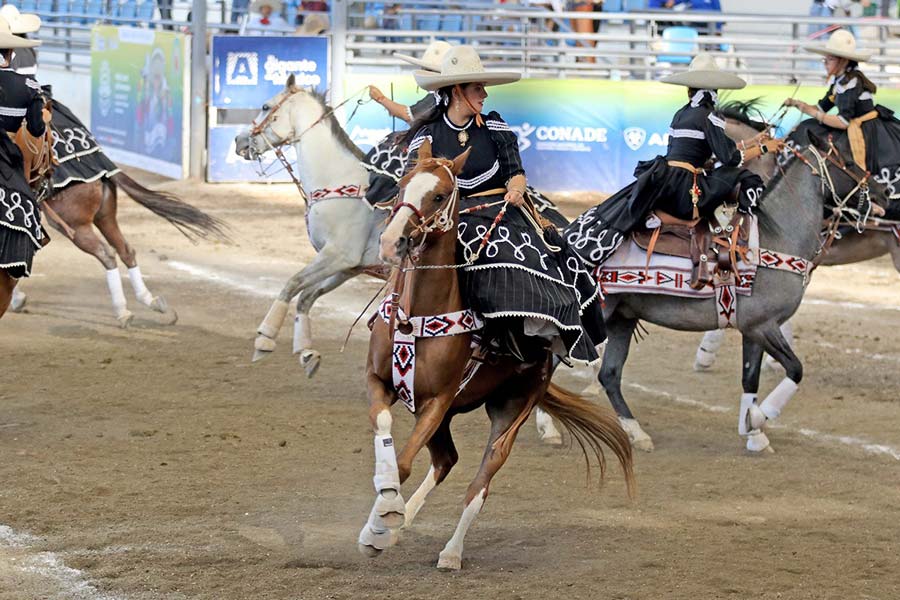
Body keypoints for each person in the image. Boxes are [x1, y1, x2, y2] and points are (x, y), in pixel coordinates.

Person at [402, 45, 606, 364]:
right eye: (477, 88)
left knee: (547, 254)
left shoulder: (494, 126)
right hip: (449, 216)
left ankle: (528, 333)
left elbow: (516, 172)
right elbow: (414, 185)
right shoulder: (427, 135)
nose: (484, 94)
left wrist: (516, 188)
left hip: (500, 211)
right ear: (457, 91)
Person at [565, 53, 777, 267]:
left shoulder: (681, 114)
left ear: (689, 90)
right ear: (714, 91)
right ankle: (731, 231)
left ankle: (662, 218)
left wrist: (752, 142)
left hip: (667, 181)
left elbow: (703, 150)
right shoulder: (710, 116)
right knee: (745, 177)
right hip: (686, 190)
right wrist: (764, 148)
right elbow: (730, 158)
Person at [783, 29, 900, 200]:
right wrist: (799, 105)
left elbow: (843, 121)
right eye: (825, 59)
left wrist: (813, 112)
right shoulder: (839, 81)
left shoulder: (851, 83)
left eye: (830, 59)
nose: (825, 63)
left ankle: (865, 192)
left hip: (866, 131)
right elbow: (822, 108)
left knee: (858, 162)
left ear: (843, 61)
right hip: (852, 125)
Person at [363, 40, 453, 205]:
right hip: (435, 139)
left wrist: (380, 99)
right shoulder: (441, 94)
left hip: (432, 143)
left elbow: (408, 115)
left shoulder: (439, 94)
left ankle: (383, 199)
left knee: (391, 150)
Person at [0, 16, 47, 295]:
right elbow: (37, 128)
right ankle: (14, 262)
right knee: (26, 206)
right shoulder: (29, 86)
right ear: (11, 53)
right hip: (7, 160)